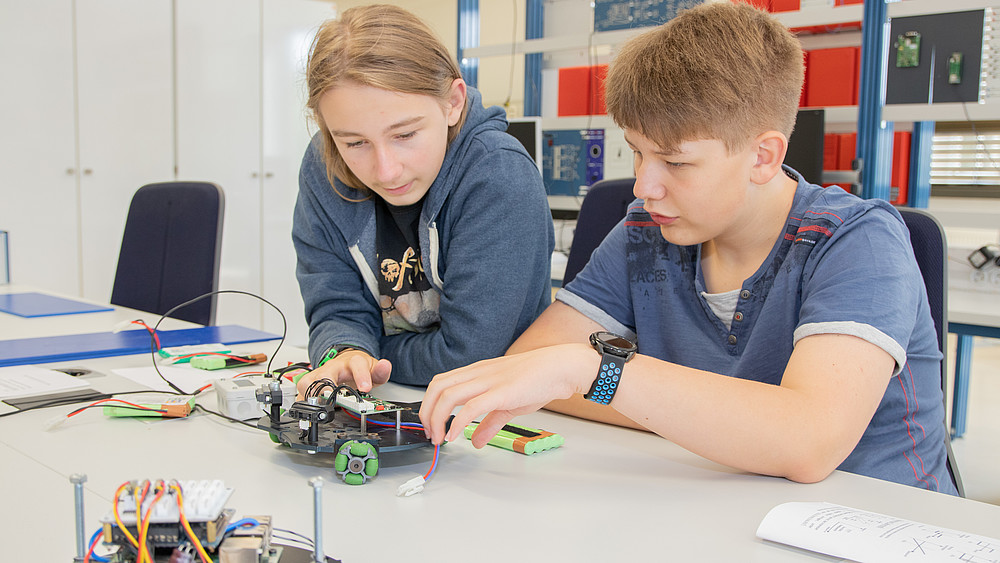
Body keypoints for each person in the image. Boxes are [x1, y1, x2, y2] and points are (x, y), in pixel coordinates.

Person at [420, 1, 958, 494]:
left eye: (675, 162)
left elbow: (809, 442)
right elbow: (531, 367)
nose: (644, 186)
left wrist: (597, 374)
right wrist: (714, 418)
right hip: (716, 505)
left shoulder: (857, 241)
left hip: (874, 523)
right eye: (637, 153)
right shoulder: (645, 233)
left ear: (763, 156)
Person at [293, 4, 554, 394]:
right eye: (355, 142)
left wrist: (368, 354)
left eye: (405, 135)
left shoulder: (499, 173)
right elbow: (335, 308)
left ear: (453, 102)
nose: (386, 171)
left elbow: (472, 354)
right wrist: (345, 351)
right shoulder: (324, 165)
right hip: (395, 395)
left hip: (496, 408)